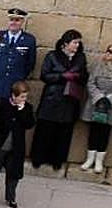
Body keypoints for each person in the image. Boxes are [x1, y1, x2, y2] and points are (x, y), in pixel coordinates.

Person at [31, 29, 88, 171]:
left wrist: (77, 77)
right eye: (74, 42)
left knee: (63, 132)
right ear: (66, 43)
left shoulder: (80, 58)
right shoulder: (52, 56)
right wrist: (63, 76)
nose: (77, 45)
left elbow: (85, 75)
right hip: (52, 98)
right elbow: (45, 75)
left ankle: (57, 160)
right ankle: (38, 158)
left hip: (69, 100)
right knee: (45, 130)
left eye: (78, 43)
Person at [0, 81, 36, 208]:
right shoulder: (2, 104)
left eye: (25, 96)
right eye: (22, 97)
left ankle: (11, 197)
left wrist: (21, 111)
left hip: (16, 147)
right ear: (14, 95)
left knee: (13, 174)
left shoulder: (27, 108)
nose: (24, 99)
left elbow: (29, 124)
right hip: (0, 144)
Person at [81, 43, 112, 174]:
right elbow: (91, 82)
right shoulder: (99, 65)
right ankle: (90, 159)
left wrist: (111, 98)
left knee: (105, 132)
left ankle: (99, 161)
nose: (109, 54)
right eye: (108, 51)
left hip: (111, 105)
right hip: (96, 103)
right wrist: (98, 96)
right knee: (94, 130)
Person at [0, 8, 37, 98]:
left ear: (22, 22)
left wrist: (19, 75)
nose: (13, 23)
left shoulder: (29, 40)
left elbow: (30, 63)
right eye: (11, 20)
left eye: (17, 20)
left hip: (15, 84)